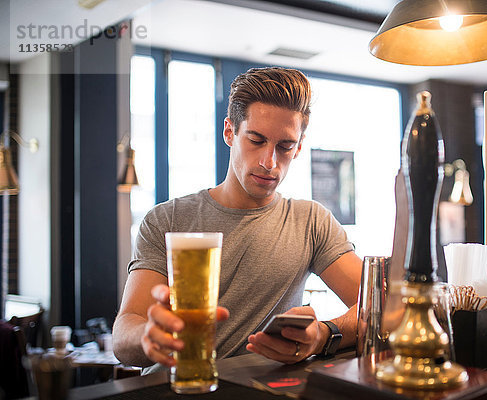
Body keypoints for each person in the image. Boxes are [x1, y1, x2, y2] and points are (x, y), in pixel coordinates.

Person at [112, 67, 363, 372]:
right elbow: (124, 333)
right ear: (230, 131)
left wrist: (324, 334)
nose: (269, 162)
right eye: (256, 140)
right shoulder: (167, 219)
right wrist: (146, 337)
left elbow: (380, 307)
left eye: (284, 146)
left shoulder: (310, 221)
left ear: (298, 146)